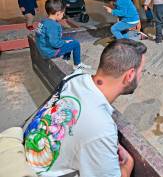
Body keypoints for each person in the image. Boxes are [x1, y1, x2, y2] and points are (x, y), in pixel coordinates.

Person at [24, 39, 145, 176]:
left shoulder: (75, 79)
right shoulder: (102, 127)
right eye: (141, 71)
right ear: (129, 75)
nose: (141, 76)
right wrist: (128, 165)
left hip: (24, 154)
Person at [35, 0, 90, 70]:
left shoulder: (44, 21)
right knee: (75, 44)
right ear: (58, 13)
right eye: (62, 14)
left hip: (43, 47)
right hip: (50, 52)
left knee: (70, 40)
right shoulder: (53, 25)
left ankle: (66, 58)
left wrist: (64, 41)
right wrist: (63, 42)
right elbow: (55, 43)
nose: (63, 15)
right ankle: (77, 64)